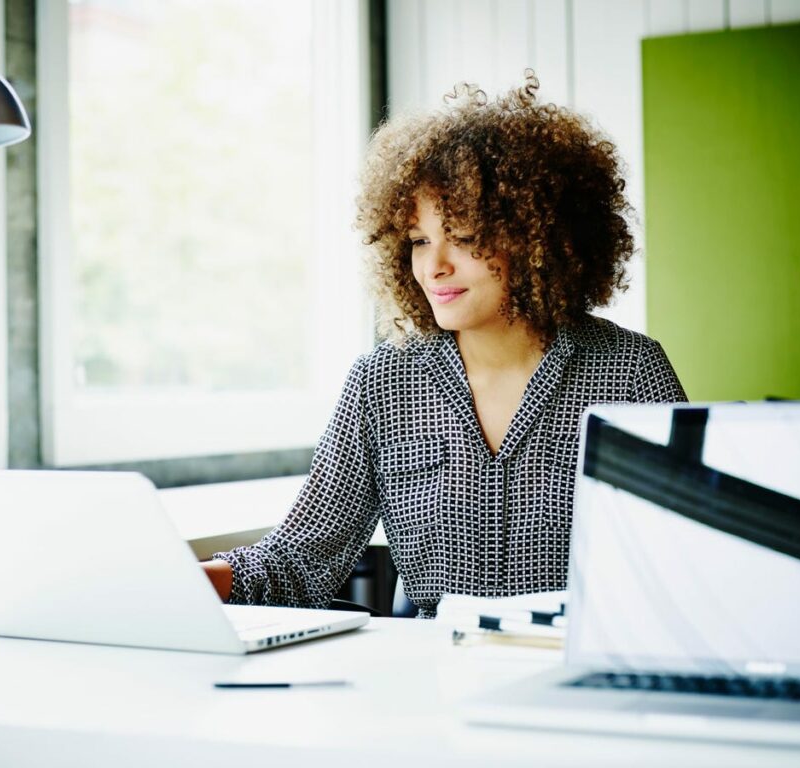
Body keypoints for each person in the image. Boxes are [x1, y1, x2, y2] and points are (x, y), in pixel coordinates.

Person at [201, 72, 687, 618]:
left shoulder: (632, 372)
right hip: (433, 686)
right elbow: (301, 558)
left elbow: (682, 561)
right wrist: (186, 580)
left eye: (464, 237)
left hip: (582, 677)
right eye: (419, 241)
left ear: (537, 239)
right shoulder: (382, 382)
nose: (434, 267)